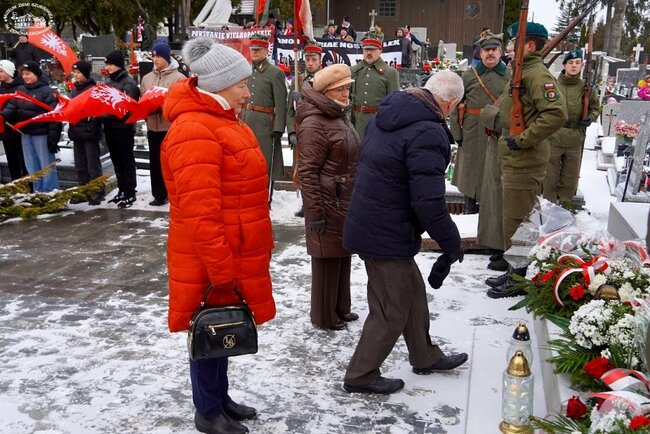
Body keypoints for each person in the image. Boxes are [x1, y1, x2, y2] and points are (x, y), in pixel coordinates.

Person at [161, 37, 275, 434]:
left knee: (221, 327)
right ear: (220, 84)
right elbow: (201, 213)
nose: (248, 92)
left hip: (230, 250)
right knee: (208, 328)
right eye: (242, 84)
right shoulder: (195, 129)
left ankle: (219, 398)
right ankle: (207, 412)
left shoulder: (221, 120)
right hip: (211, 256)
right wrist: (221, 268)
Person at [342, 71, 468, 395]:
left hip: (376, 221)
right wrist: (451, 243)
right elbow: (429, 202)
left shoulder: (387, 115)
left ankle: (424, 355)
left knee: (411, 292)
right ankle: (360, 374)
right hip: (385, 231)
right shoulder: (428, 131)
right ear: (451, 103)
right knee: (391, 308)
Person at [486, 22, 567, 299]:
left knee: (518, 221)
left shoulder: (536, 75)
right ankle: (515, 270)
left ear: (529, 46)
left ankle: (520, 278)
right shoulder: (524, 72)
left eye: (513, 43)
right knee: (514, 219)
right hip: (515, 159)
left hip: (524, 159)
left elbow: (556, 114)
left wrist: (522, 140)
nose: (508, 48)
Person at [296, 64, 360, 331]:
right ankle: (324, 315)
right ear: (325, 92)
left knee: (341, 254)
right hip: (326, 200)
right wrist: (315, 212)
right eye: (339, 89)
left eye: (347, 88)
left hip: (342, 197)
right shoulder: (314, 123)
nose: (346, 94)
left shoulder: (337, 115)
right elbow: (308, 172)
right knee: (326, 259)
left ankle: (340, 307)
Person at [449, 34, 511, 271]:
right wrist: (457, 133)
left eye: (495, 49)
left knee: (493, 187)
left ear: (501, 52)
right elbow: (456, 104)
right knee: (470, 183)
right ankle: (467, 232)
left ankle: (490, 237)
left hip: (497, 134)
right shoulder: (470, 75)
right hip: (473, 134)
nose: (491, 53)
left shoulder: (509, 76)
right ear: (480, 53)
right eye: (487, 50)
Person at [542, 49, 601, 204]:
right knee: (549, 176)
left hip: (575, 137)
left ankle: (565, 207)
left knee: (570, 178)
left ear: (581, 65)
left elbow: (595, 108)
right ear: (564, 65)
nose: (574, 66)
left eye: (577, 63)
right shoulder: (553, 85)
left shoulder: (586, 88)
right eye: (570, 63)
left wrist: (590, 117)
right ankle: (548, 207)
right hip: (554, 135)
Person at [1, 61, 61, 192]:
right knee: (31, 166)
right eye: (23, 74)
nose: (25, 77)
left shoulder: (46, 92)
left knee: (46, 166)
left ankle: (50, 192)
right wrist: (3, 115)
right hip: (26, 134)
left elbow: (54, 115)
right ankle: (37, 191)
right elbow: (12, 107)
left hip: (42, 134)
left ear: (36, 74)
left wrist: (53, 137)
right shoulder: (21, 91)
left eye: (28, 74)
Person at [241, 34, 287, 202]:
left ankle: (264, 198)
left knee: (264, 162)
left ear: (266, 51)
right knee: (246, 161)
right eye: (252, 49)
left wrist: (279, 128)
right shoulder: (245, 71)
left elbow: (281, 103)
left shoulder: (275, 73)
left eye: (258, 50)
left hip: (264, 125)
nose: (254, 52)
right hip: (245, 120)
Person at [141, 42, 185, 207]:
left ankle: (176, 193)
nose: (155, 59)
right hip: (153, 126)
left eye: (158, 56)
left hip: (171, 127)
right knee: (155, 162)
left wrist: (163, 105)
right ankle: (159, 194)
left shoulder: (179, 78)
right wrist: (146, 108)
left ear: (167, 57)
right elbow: (142, 99)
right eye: (153, 56)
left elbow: (182, 103)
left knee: (173, 162)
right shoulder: (147, 78)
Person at [286, 43, 322, 218]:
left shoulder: (325, 78)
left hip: (319, 129)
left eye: (314, 59)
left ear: (320, 61)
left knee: (319, 169)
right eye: (307, 60)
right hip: (301, 129)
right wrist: (291, 132)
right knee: (303, 169)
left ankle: (319, 204)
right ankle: (305, 203)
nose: (310, 63)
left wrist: (306, 97)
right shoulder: (298, 80)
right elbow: (289, 110)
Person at [102, 50, 140, 208]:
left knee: (126, 160)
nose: (107, 67)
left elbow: (127, 110)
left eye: (110, 64)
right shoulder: (109, 82)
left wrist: (104, 115)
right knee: (116, 161)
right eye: (107, 64)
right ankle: (122, 189)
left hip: (123, 129)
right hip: (110, 128)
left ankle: (130, 191)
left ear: (118, 64)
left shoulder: (128, 84)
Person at [350, 31, 399, 141]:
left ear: (380, 50)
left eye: (372, 49)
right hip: (356, 122)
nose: (368, 52)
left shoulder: (390, 73)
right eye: (366, 49)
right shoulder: (354, 70)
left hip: (377, 122)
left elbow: (394, 104)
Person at [68, 60, 104, 205]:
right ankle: (83, 190)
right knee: (80, 164)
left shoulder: (93, 89)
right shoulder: (74, 90)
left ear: (86, 73)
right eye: (74, 72)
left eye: (78, 72)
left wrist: (91, 122)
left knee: (92, 164)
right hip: (76, 131)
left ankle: (96, 191)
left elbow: (97, 111)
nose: (75, 75)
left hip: (89, 131)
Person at [0, 59, 26, 181]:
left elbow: (19, 106)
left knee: (23, 159)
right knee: (11, 160)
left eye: (1, 71)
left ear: (9, 72)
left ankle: (26, 184)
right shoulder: (1, 87)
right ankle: (15, 182)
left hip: (17, 128)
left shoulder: (20, 87)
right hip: (5, 129)